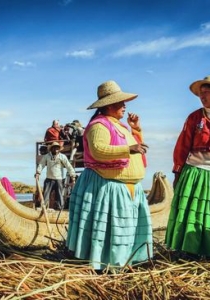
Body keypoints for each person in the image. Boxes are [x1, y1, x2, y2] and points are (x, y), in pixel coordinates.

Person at [66, 80, 153, 269]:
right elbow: (98, 150)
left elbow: (138, 148)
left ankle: (126, 260)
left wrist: (136, 129)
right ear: (108, 105)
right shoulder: (99, 125)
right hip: (108, 185)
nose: (124, 106)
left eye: (124, 102)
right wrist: (128, 149)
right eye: (120, 103)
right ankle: (105, 263)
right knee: (110, 230)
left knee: (125, 229)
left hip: (126, 188)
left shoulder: (119, 126)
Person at [165, 75, 210, 258]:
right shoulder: (194, 117)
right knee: (191, 213)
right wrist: (178, 172)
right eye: (201, 94)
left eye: (206, 92)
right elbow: (182, 145)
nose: (202, 96)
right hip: (195, 171)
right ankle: (189, 251)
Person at [35, 141, 76, 210]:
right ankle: (44, 208)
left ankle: (60, 209)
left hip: (58, 179)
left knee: (59, 195)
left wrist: (73, 175)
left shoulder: (62, 157)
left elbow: (68, 166)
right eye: (54, 148)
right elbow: (41, 165)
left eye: (57, 148)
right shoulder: (47, 156)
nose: (56, 149)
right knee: (46, 195)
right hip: (49, 179)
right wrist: (38, 173)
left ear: (59, 149)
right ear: (51, 149)